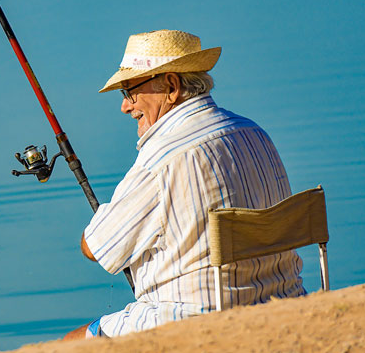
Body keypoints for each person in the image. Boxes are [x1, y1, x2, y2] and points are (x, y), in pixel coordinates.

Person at [63, 30, 306, 340]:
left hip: (194, 318)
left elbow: (96, 248)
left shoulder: (161, 159)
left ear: (172, 86)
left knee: (67, 343)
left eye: (129, 91)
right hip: (285, 302)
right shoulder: (254, 132)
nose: (125, 106)